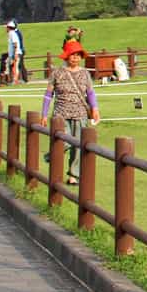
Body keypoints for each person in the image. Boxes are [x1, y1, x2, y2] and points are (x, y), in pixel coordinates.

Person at [41, 45, 99, 187]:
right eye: (72, 54)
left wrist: (95, 108)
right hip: (60, 113)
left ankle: (74, 175)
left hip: (80, 113)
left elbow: (90, 93)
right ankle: (51, 156)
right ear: (66, 56)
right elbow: (48, 94)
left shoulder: (85, 73)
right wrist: (44, 113)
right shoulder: (57, 73)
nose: (75, 58)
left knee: (78, 146)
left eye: (78, 55)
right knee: (63, 142)